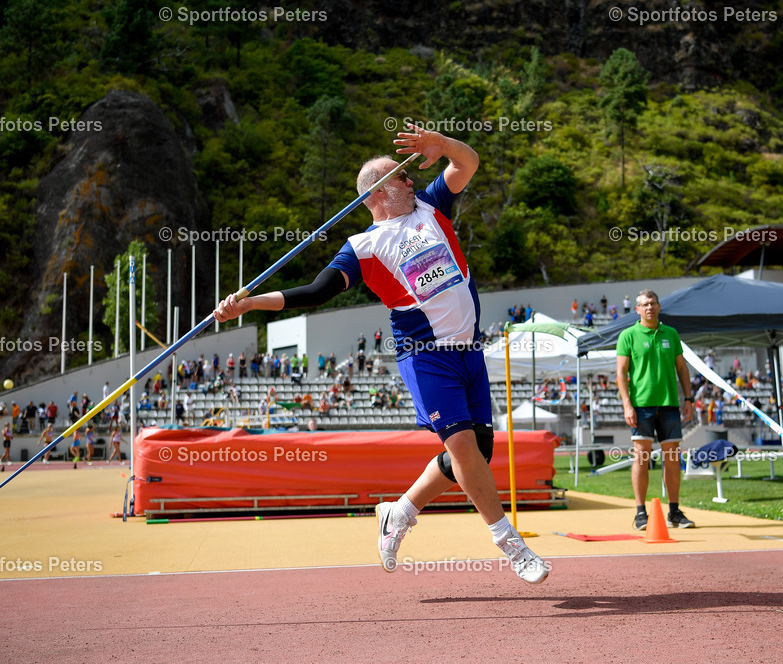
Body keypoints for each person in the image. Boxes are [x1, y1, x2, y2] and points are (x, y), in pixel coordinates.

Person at [213, 125, 548, 584]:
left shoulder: (432, 204)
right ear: (379, 191)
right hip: (425, 354)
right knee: (466, 450)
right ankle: (511, 544)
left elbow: (467, 164)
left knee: (478, 454)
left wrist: (445, 145)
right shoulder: (363, 248)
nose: (412, 181)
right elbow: (315, 292)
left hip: (470, 350)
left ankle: (399, 511)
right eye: (402, 177)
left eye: (411, 176)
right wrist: (250, 303)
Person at [616, 289, 696, 531]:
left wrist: (689, 398)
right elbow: (620, 373)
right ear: (637, 309)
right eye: (644, 304)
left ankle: (674, 511)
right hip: (641, 405)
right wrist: (627, 404)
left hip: (670, 404)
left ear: (659, 307)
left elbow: (682, 368)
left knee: (672, 458)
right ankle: (641, 513)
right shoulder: (628, 335)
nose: (649, 307)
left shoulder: (671, 334)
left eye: (652, 303)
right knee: (641, 456)